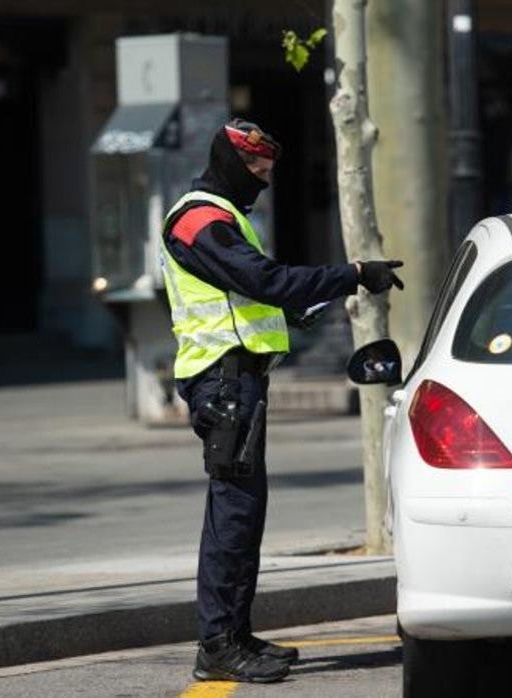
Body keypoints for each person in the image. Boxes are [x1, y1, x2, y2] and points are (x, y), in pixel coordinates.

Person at [159, 119, 404, 684]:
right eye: (255, 171)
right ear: (227, 163)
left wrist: (303, 307)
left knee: (244, 514)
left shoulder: (222, 216)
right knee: (234, 515)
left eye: (269, 172)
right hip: (222, 383)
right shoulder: (201, 219)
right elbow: (264, 281)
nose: (263, 183)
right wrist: (352, 275)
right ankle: (219, 644)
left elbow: (251, 297)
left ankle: (235, 636)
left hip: (239, 381)